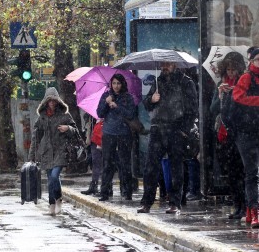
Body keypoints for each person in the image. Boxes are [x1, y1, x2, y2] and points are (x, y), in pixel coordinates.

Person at [137, 62, 198, 215]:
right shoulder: (158, 81)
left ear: (174, 65)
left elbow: (192, 109)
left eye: (168, 64)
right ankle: (147, 202)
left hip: (176, 130)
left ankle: (175, 202)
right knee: (150, 167)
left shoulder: (185, 82)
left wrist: (184, 130)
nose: (165, 67)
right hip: (158, 128)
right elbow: (146, 104)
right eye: (163, 64)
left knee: (176, 167)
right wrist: (152, 99)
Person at [231, 48, 259, 228]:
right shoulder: (246, 78)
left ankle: (252, 211)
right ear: (252, 62)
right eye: (258, 59)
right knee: (252, 173)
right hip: (246, 132)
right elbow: (238, 97)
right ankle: (254, 211)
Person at [29, 87, 78, 216]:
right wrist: (32, 156)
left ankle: (58, 199)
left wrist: (67, 128)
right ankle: (52, 204)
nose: (52, 103)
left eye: (54, 100)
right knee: (51, 179)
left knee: (55, 176)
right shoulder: (42, 118)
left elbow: (75, 131)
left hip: (61, 151)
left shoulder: (64, 115)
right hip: (46, 152)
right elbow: (35, 137)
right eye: (49, 100)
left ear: (57, 101)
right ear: (46, 101)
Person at [210, 52, 247, 219]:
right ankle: (237, 204)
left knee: (244, 171)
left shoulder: (244, 82)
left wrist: (235, 93)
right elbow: (213, 109)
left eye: (234, 70)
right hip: (226, 134)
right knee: (232, 173)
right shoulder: (221, 84)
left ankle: (246, 205)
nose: (231, 73)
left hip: (241, 131)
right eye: (228, 70)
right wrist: (220, 95)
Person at [96, 74, 136, 202]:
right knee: (107, 163)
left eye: (118, 83)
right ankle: (105, 191)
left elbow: (130, 114)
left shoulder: (128, 97)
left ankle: (127, 191)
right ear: (111, 84)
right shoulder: (106, 96)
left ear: (122, 84)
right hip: (109, 133)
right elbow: (100, 113)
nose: (116, 86)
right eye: (114, 83)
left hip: (124, 133)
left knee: (125, 163)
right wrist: (107, 103)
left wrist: (117, 107)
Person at [81, 119, 103, 195]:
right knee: (95, 162)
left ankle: (106, 188)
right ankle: (94, 185)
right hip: (94, 138)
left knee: (106, 164)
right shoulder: (92, 113)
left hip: (106, 137)